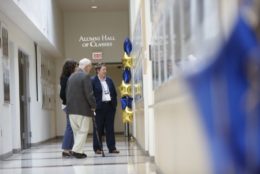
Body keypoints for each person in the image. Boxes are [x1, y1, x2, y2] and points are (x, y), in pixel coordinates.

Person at [66, 58, 96, 159]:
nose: (90, 69)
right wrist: (93, 106)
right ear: (87, 66)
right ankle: (76, 151)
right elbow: (89, 94)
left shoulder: (71, 77)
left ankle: (80, 151)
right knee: (83, 131)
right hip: (83, 110)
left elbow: (67, 94)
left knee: (77, 132)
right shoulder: (85, 76)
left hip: (71, 110)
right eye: (90, 66)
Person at [92, 63, 119, 154]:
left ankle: (112, 148)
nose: (105, 71)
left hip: (109, 107)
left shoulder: (109, 80)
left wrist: (114, 104)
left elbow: (114, 93)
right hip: (99, 108)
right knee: (98, 128)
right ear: (98, 71)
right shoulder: (93, 80)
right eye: (103, 70)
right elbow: (90, 95)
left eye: (106, 70)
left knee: (110, 128)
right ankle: (97, 148)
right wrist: (93, 106)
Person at [59, 60, 78, 157]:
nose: (77, 68)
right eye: (75, 66)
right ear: (71, 67)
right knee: (70, 127)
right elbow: (62, 94)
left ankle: (69, 149)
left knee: (72, 127)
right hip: (68, 105)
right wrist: (70, 101)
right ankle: (66, 150)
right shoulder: (66, 79)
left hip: (70, 105)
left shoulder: (69, 77)